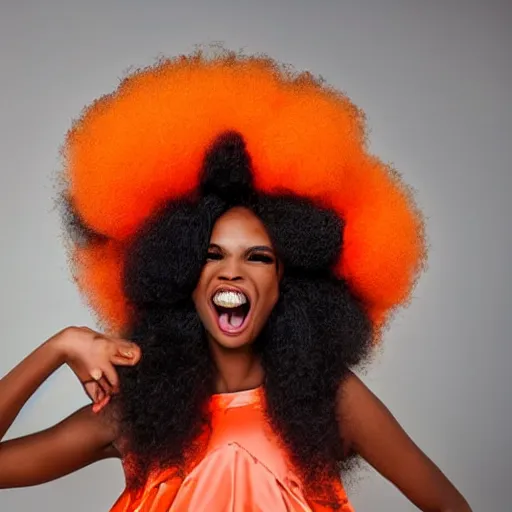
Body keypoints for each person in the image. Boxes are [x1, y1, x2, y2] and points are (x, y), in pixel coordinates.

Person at [0, 50, 472, 511]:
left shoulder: (332, 399)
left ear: (285, 279)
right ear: (180, 274)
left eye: (258, 257)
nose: (232, 271)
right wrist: (61, 346)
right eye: (211, 255)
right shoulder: (138, 413)